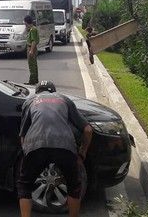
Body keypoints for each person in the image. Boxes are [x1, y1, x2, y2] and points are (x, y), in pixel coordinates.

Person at [17, 81, 93, 217]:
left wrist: (27, 155)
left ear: (38, 92)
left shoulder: (30, 101)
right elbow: (87, 130)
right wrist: (82, 152)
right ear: (54, 91)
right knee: (74, 186)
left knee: (24, 185)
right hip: (65, 146)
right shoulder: (64, 99)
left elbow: (23, 136)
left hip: (36, 145)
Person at [24, 15, 39, 85]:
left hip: (31, 47)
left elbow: (34, 41)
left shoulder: (32, 30)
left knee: (31, 65)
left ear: (27, 22)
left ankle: (32, 80)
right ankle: (35, 79)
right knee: (34, 64)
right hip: (33, 47)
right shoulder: (34, 29)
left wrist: (31, 50)